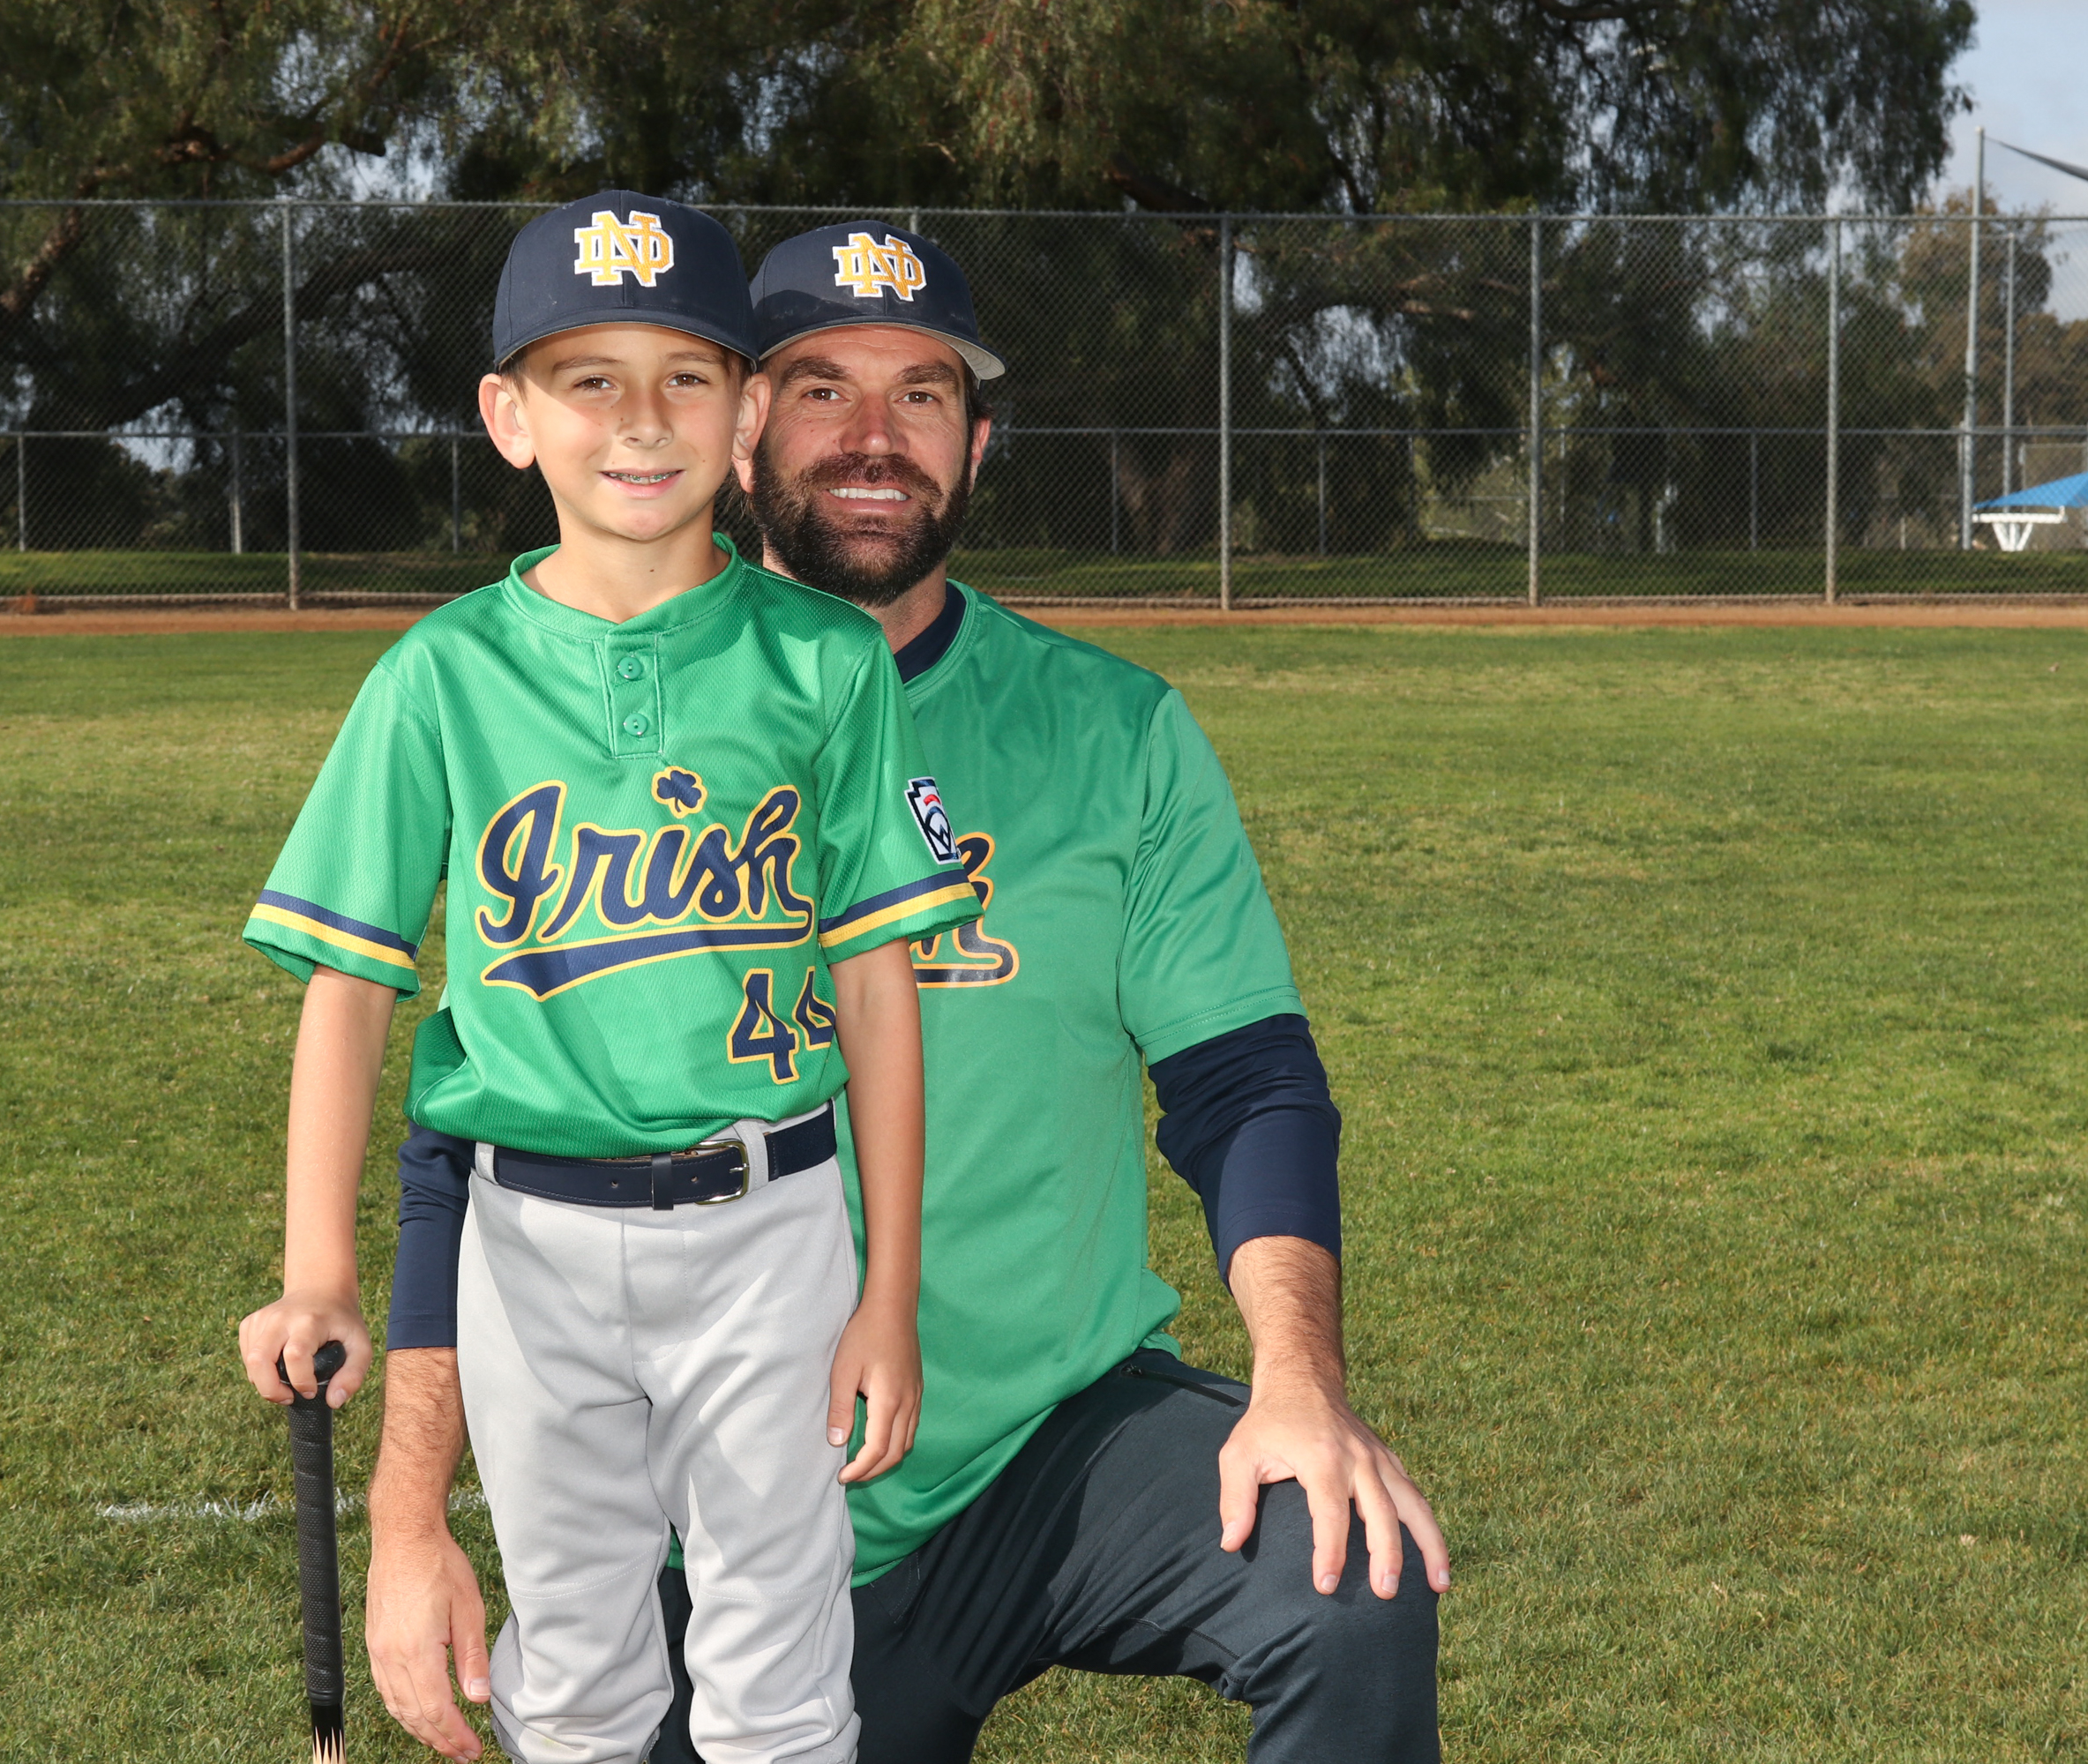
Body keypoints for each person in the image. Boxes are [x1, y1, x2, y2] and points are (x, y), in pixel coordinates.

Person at [365, 222, 1448, 1764]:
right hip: (710, 1495)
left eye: (923, 394)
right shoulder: (569, 714)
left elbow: (1245, 1080)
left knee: (1343, 1576)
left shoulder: (1114, 730)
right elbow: (471, 1141)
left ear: (978, 442)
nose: (875, 436)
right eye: (824, 388)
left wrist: (1300, 1382)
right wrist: (409, 1518)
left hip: (1040, 1455)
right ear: (746, 426)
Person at [236, 191, 981, 1764]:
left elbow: (879, 989)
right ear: (510, 418)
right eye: (590, 380)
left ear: (747, 414)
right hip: (530, 1241)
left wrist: (887, 1292)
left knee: (781, 1671)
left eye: (685, 378)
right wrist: (317, 1269)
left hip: (771, 1221)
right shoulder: (440, 675)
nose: (642, 422)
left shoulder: (826, 662)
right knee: (574, 1669)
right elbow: (350, 991)